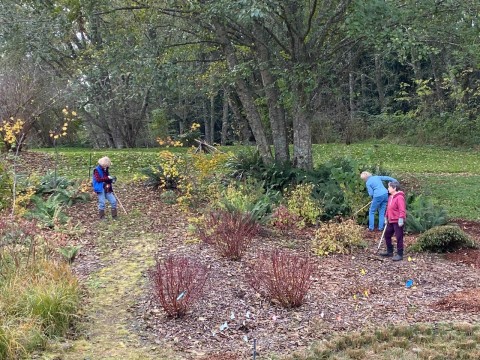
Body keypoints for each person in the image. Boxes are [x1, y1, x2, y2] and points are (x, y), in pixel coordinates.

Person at [380, 181, 406, 261]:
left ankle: (400, 254)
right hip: (390, 220)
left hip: (397, 221)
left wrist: (401, 218)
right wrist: (386, 216)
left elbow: (402, 209)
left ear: (394, 188)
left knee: (399, 237)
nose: (388, 189)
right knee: (387, 235)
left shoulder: (400, 197)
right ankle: (389, 251)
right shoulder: (391, 197)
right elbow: (388, 208)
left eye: (389, 187)